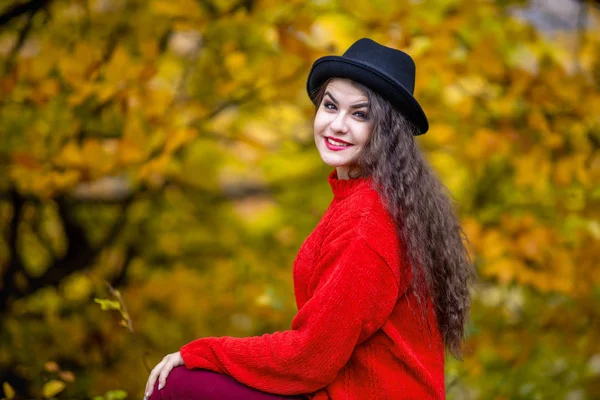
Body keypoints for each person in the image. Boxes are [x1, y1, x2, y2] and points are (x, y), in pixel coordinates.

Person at [144, 38, 475, 400]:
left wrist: (202, 353)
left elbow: (310, 358)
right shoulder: (369, 199)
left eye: (360, 114)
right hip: (341, 389)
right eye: (330, 106)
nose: (337, 124)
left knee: (176, 385)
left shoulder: (368, 219)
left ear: (388, 132)